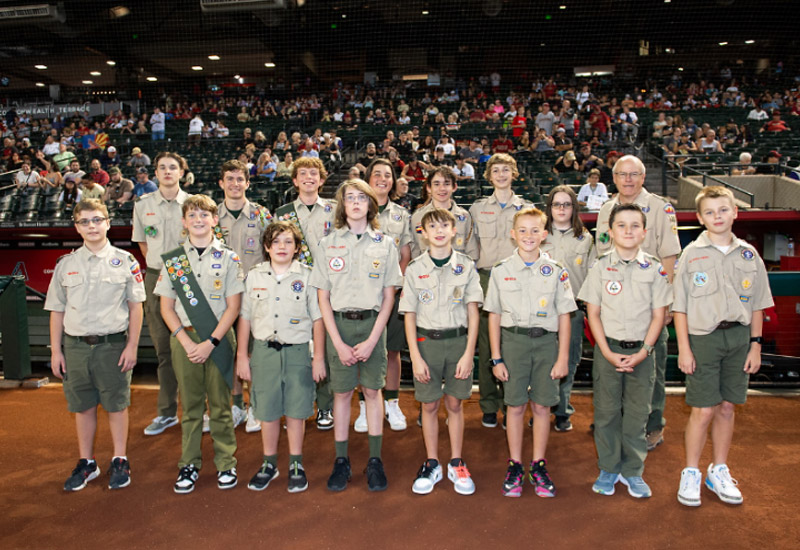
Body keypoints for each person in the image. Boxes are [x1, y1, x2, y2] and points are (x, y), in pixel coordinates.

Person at [673, 186, 773, 507]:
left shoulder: (749, 254)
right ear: (700, 218)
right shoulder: (691, 254)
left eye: (723, 210)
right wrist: (685, 349)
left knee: (728, 406)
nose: (718, 216)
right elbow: (680, 308)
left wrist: (755, 346)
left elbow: (758, 304)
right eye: (711, 212)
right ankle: (691, 472)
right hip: (703, 339)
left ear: (735, 212)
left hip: (740, 338)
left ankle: (718, 470)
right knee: (703, 410)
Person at [309, 178, 403, 492]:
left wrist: (374, 339)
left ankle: (375, 460)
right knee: (342, 394)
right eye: (349, 197)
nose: (356, 202)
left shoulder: (385, 244)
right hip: (340, 326)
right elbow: (322, 297)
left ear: (371, 204)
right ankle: (341, 460)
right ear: (342, 205)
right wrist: (337, 342)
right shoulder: (328, 243)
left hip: (373, 326)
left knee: (373, 393)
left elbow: (389, 297)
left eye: (361, 197)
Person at [45, 199, 145, 491]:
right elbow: (57, 310)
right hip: (75, 347)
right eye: (85, 221)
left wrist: (133, 346)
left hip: (112, 345)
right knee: (83, 406)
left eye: (97, 220)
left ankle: (119, 458)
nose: (92, 226)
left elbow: (136, 307)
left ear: (108, 223)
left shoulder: (126, 261)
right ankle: (87, 463)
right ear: (77, 227)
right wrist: (55, 350)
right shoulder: (66, 265)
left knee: (116, 405)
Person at [578, 203, 672, 499]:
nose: (628, 231)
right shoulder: (600, 266)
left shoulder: (655, 268)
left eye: (635, 226)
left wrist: (644, 351)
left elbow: (659, 315)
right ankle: (608, 467)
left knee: (637, 415)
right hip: (609, 351)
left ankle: (633, 470)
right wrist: (605, 352)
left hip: (643, 353)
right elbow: (592, 314)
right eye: (621, 225)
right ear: (610, 231)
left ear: (644, 233)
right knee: (605, 413)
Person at [155, 194, 244, 493]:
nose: (198, 220)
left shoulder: (230, 258)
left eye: (204, 215)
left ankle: (225, 463)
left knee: (220, 406)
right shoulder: (174, 260)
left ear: (214, 220)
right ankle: (189, 465)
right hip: (185, 338)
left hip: (218, 339)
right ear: (184, 222)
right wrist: (186, 341)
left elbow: (233, 308)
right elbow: (166, 308)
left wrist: (211, 342)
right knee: (191, 407)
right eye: (192, 215)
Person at [486, 207, 576, 497]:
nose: (529, 235)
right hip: (513, 344)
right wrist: (496, 357)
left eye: (535, 230)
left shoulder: (557, 271)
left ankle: (538, 464)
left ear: (545, 234)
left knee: (541, 406)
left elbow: (564, 316)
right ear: (513, 234)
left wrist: (562, 357)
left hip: (546, 344)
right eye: (522, 230)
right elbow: (494, 316)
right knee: (514, 406)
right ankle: (514, 464)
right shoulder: (500, 271)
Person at [595, 155, 681, 452]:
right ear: (614, 178)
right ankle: (617, 421)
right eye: (622, 174)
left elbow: (669, 256)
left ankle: (652, 425)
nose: (628, 179)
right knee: (612, 366)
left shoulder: (660, 208)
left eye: (634, 174)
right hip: (616, 304)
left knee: (652, 369)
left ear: (643, 177)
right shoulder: (606, 208)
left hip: (649, 304)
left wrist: (667, 303)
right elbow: (601, 255)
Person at [236, 222, 326, 493]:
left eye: (288, 242)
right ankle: (269, 462)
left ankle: (296, 463)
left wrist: (319, 357)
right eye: (276, 242)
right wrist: (242, 355)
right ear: (266, 247)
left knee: (297, 411)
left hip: (298, 352)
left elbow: (318, 320)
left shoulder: (308, 276)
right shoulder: (254, 277)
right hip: (264, 352)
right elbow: (245, 318)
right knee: (268, 410)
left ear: (297, 248)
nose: (282, 247)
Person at [401, 208, 482, 496]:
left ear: (453, 230)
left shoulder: (467, 266)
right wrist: (415, 357)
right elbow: (409, 315)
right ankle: (433, 462)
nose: (438, 231)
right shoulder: (414, 269)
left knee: (456, 404)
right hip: (426, 345)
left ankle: (457, 461)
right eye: (431, 226)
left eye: (444, 225)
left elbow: (473, 313)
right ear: (422, 233)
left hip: (458, 343)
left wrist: (468, 353)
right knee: (429, 406)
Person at [469, 153, 533, 429]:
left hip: (517, 281)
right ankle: (488, 404)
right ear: (489, 176)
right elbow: (471, 250)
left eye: (506, 169)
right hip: (485, 279)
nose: (501, 174)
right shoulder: (477, 208)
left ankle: (512, 403)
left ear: (514, 173)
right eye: (496, 170)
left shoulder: (527, 209)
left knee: (513, 345)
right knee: (486, 345)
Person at [351, 159, 413, 433]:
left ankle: (392, 402)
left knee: (392, 351)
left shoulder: (401, 215)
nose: (382, 179)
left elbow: (406, 255)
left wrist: (393, 286)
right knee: (363, 351)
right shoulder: (355, 210)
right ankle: (365, 404)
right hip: (361, 295)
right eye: (377, 174)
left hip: (393, 293)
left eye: (388, 175)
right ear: (368, 178)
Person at [275, 157, 336, 430]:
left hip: (328, 288)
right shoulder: (282, 213)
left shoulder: (336, 211)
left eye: (314, 173)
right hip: (294, 288)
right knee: (297, 348)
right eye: (303, 174)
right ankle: (298, 406)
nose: (309, 177)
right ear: (295, 180)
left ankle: (325, 406)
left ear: (322, 180)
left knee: (325, 348)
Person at [132, 152, 191, 436]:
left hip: (187, 273)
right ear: (155, 173)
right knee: (164, 350)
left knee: (194, 345)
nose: (168, 171)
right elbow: (142, 243)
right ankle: (167, 412)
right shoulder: (143, 205)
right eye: (162, 167)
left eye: (173, 167)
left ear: (181, 172)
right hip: (156, 275)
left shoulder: (193, 204)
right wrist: (159, 267)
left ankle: (198, 410)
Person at [213, 159, 273, 433]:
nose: (235, 184)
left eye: (240, 179)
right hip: (221, 297)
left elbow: (275, 252)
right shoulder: (210, 216)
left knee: (254, 353)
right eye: (230, 178)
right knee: (227, 350)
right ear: (221, 183)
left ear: (248, 184)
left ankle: (255, 406)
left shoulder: (262, 215)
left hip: (255, 295)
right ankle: (236, 405)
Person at [541, 186, 596, 432]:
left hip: (573, 308)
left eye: (566, 204)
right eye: (556, 204)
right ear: (549, 207)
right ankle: (543, 406)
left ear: (574, 208)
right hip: (543, 310)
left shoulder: (585, 237)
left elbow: (594, 275)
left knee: (569, 360)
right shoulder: (539, 235)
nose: (561, 209)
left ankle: (562, 410)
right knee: (544, 360)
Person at [411, 166, 478, 260]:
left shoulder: (465, 216)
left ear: (454, 187)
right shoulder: (417, 217)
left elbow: (471, 252)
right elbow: (415, 252)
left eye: (446, 184)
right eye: (436, 184)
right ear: (429, 188)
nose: (442, 188)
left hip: (458, 271)